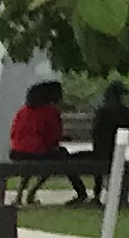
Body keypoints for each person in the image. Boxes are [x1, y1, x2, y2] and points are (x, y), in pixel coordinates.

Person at [6, 80, 96, 208]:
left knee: (36, 160)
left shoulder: (23, 111)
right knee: (61, 156)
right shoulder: (50, 111)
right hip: (36, 152)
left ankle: (20, 195)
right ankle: (80, 192)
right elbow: (53, 138)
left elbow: (15, 133)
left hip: (17, 152)